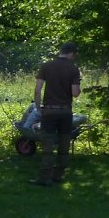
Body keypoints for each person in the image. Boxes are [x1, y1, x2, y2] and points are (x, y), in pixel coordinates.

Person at [31, 42, 82, 185]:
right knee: (64, 145)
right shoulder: (73, 69)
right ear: (72, 53)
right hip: (65, 111)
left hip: (49, 110)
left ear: (61, 51)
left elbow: (37, 89)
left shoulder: (46, 66)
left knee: (48, 145)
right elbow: (75, 93)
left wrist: (38, 107)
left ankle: (44, 178)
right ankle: (58, 175)